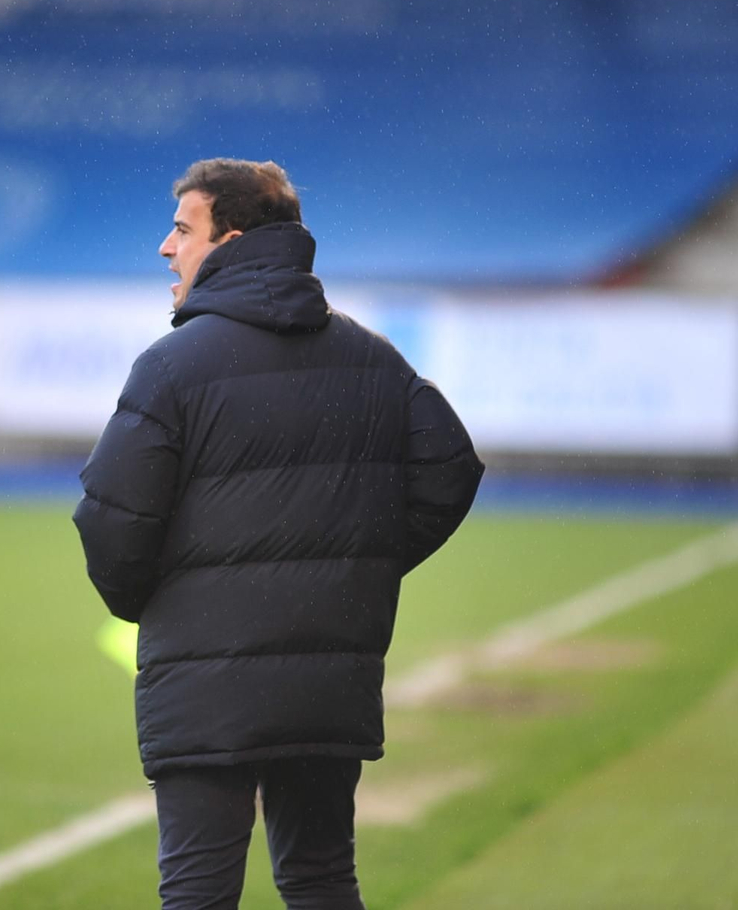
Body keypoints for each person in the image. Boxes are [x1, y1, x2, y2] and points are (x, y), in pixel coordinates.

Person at [73, 158, 484, 910]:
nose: (166, 246)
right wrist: (354, 566)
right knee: (321, 879)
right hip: (327, 675)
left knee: (197, 891)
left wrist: (147, 603)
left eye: (182, 228)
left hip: (205, 679)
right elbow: (451, 469)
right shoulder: (372, 356)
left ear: (230, 240)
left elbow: (111, 517)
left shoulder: (171, 366)